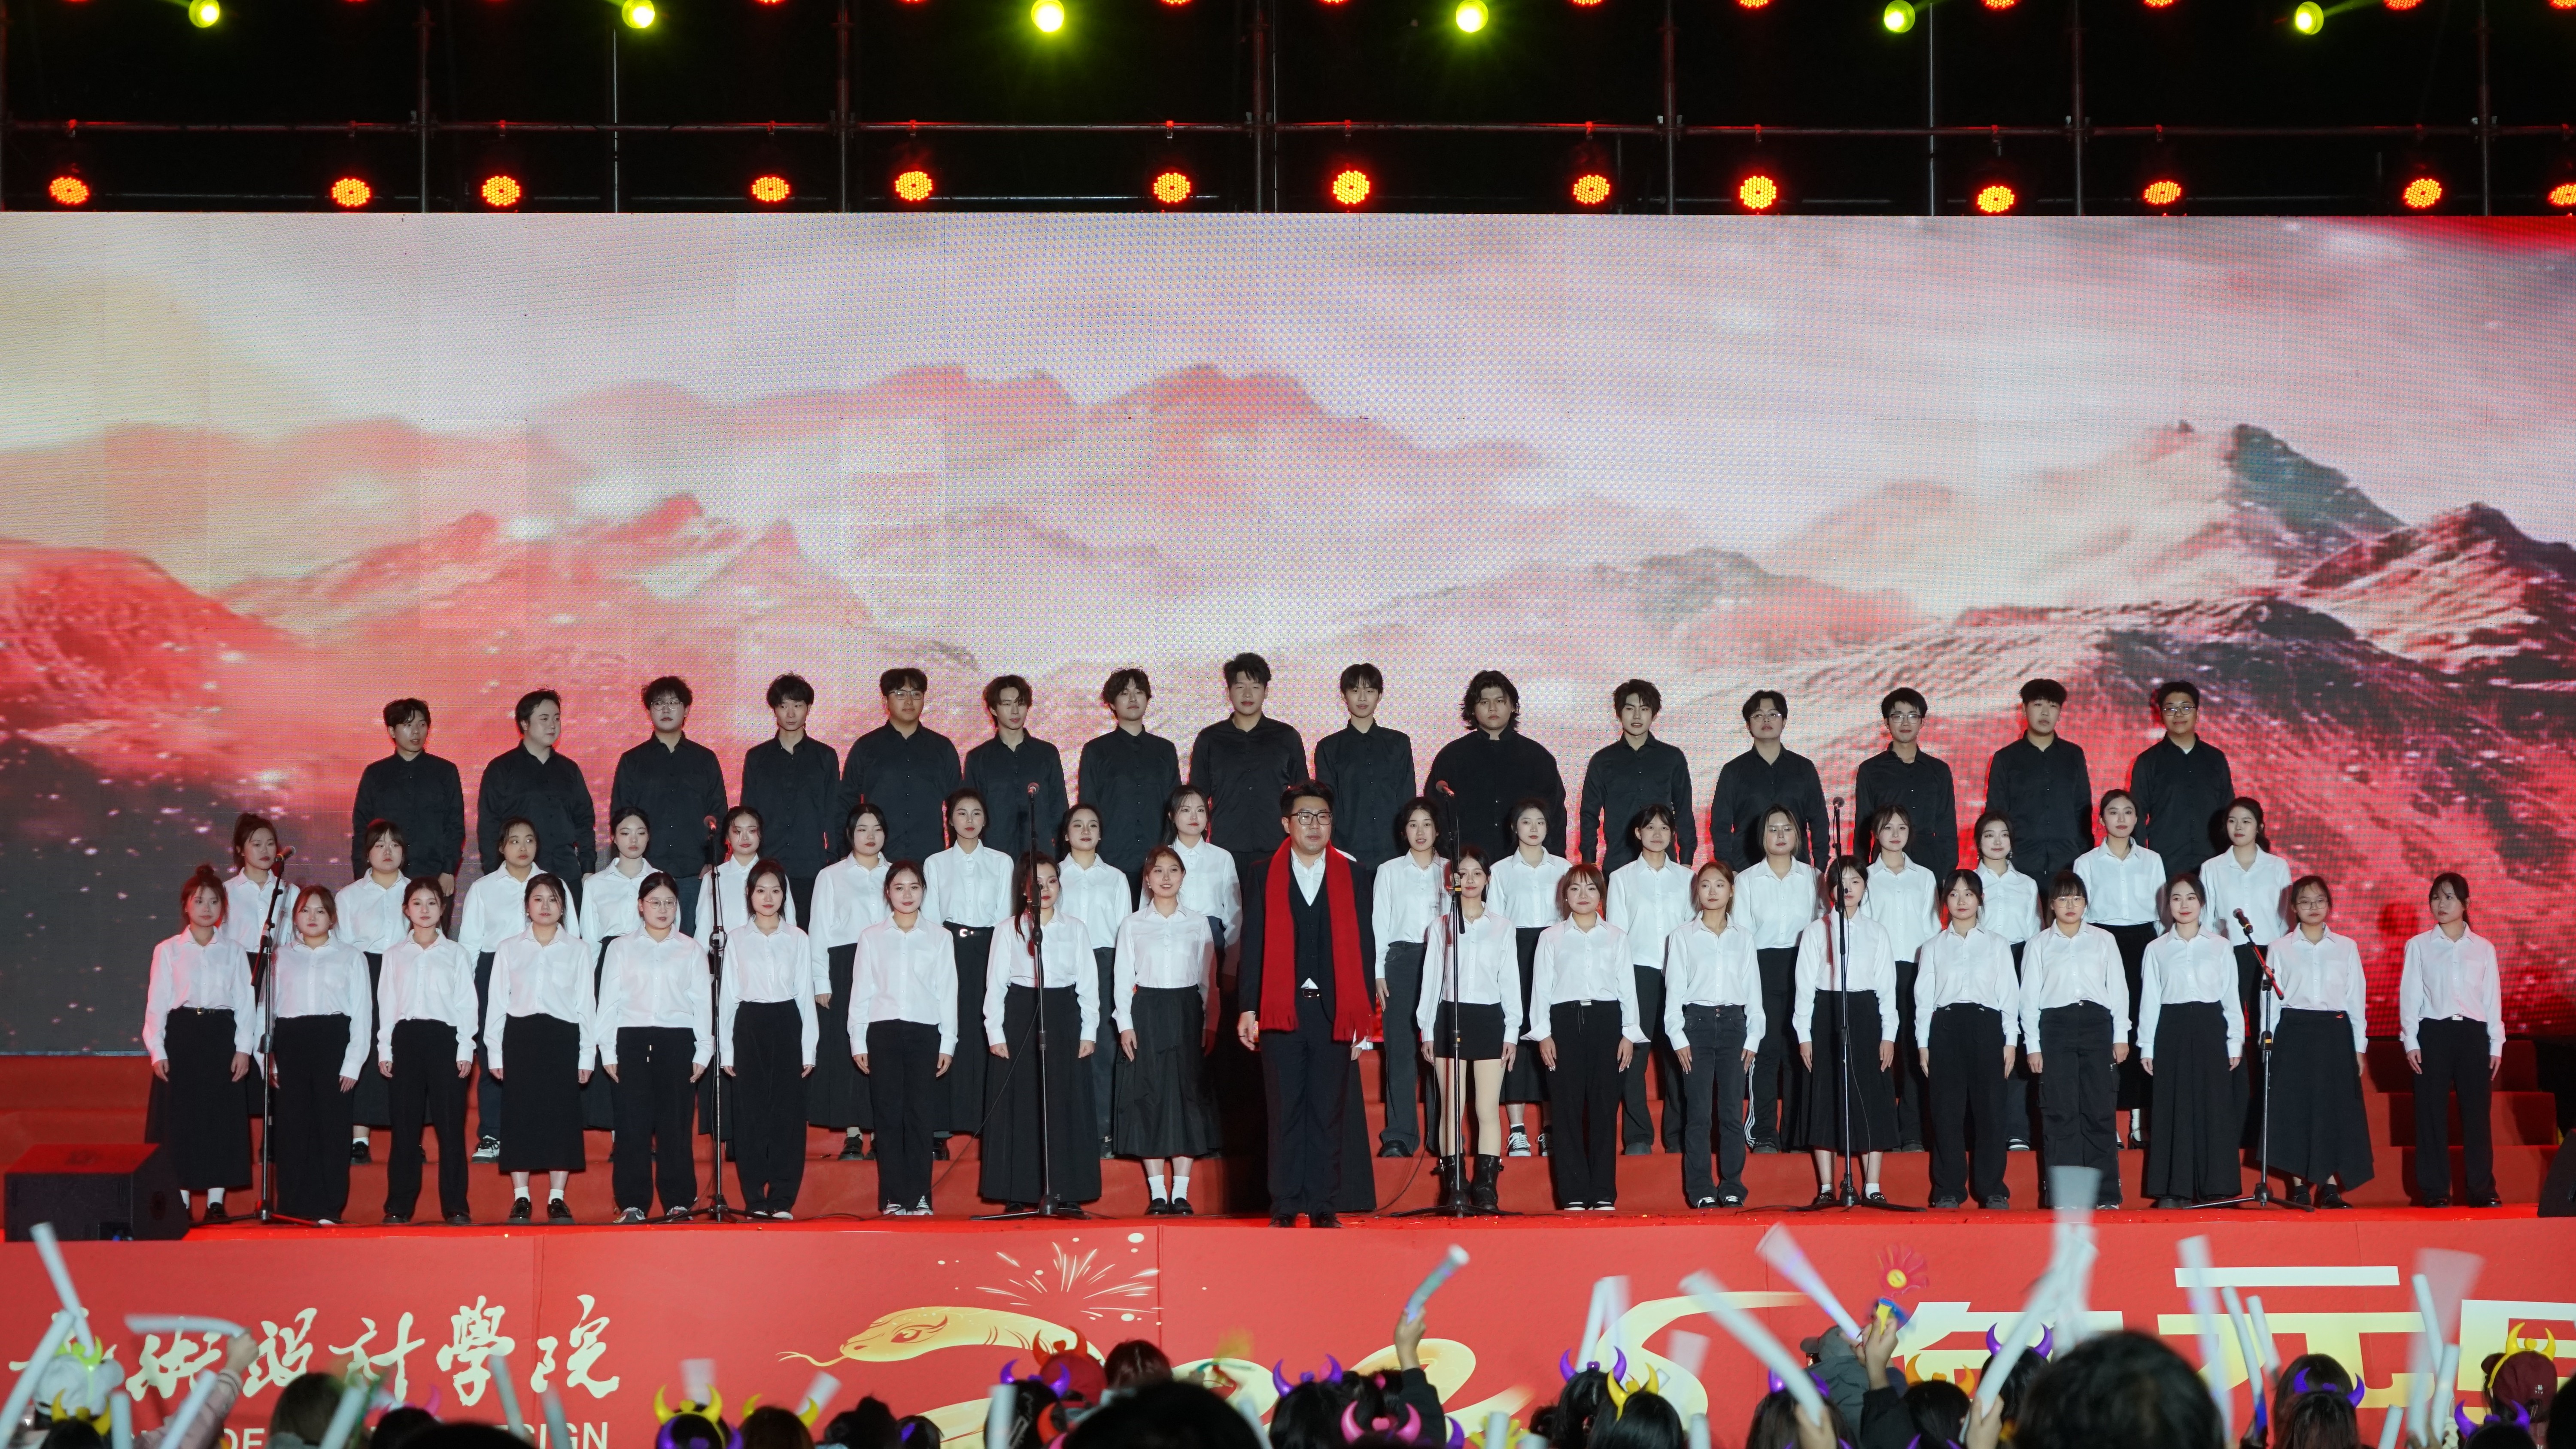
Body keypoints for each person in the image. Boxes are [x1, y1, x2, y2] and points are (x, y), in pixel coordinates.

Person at [1234, 781, 1379, 1227]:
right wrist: (1248, 1007)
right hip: (1282, 1008)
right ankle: (1284, 1204)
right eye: (1304, 816)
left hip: (1334, 1011)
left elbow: (1365, 947)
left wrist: (1361, 1019)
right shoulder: (1262, 874)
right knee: (1285, 1111)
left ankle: (1322, 1205)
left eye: (1322, 817)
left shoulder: (1354, 874)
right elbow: (1253, 944)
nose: (1314, 825)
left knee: (1327, 1111)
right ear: (1286, 823)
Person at [981, 854, 1101, 1210]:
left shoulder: (1075, 928)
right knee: (1022, 1103)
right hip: (1021, 1013)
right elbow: (995, 986)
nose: (1045, 889)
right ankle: (1018, 1193)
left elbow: (1089, 985)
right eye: (1037, 883)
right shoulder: (1008, 929)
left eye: (1052, 881)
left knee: (1064, 1102)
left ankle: (1066, 1192)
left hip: (1063, 1014)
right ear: (1024, 888)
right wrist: (995, 1032)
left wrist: (1089, 1030)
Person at [143, 867, 259, 1223]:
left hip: (221, 1037)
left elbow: (245, 1003)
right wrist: (158, 1051)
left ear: (223, 908)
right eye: (199, 901)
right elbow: (157, 1003)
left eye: (214, 902)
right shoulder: (168, 950)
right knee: (180, 1121)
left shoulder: (234, 951)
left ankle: (215, 1201)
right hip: (182, 1037)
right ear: (186, 906)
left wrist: (243, 1049)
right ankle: (181, 1199)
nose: (206, 908)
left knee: (219, 1119)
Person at [1112, 846, 1223, 1215]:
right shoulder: (1132, 924)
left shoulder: (1198, 923)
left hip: (1187, 1011)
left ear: (1183, 876)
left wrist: (1211, 1024)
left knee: (1187, 1096)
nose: (1165, 877)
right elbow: (1122, 978)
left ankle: (1182, 1194)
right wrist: (1125, 1024)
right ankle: (1158, 1193)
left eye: (1173, 870)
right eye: (1158, 871)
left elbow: (1209, 981)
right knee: (1149, 1096)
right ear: (1147, 879)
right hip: (1146, 1011)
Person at [596, 872, 712, 1222]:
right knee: (632, 1126)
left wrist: (704, 1049)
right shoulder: (620, 947)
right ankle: (632, 1204)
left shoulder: (691, 949)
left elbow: (702, 1003)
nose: (663, 909)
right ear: (640, 906)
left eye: (669, 903)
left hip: (677, 1040)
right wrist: (608, 1049)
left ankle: (678, 1202)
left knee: (675, 1126)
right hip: (631, 1040)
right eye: (655, 902)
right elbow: (609, 1001)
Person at [1526, 863, 1640, 1211]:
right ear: (1565, 896)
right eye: (1575, 888)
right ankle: (1573, 1193)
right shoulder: (1551, 937)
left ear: (1601, 895)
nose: (1583, 895)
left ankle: (1603, 1192)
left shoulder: (1617, 936)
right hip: (1563, 1023)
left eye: (1591, 888)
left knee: (1605, 1109)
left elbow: (1627, 988)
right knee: (1566, 1110)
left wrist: (1629, 1033)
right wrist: (1544, 1034)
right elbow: (1541, 988)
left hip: (1607, 1022)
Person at [484, 873, 595, 1224]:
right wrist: (495, 1051)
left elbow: (586, 1005)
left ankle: (557, 1198)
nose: (546, 906)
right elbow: (497, 1003)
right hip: (521, 1037)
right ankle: (521, 1197)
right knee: (519, 1116)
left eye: (553, 899)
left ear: (563, 907)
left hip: (562, 1038)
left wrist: (587, 1054)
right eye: (538, 899)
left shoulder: (579, 949)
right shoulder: (509, 948)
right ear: (527, 906)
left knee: (562, 1117)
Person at [1414, 846, 1520, 1211]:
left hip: (1489, 1019)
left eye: (1477, 873)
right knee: (1452, 1108)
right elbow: (1431, 982)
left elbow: (1510, 982)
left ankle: (1487, 1189)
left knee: (1487, 1108)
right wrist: (1427, 1030)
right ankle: (1455, 1185)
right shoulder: (1440, 927)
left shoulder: (1503, 927)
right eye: (1463, 874)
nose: (1470, 880)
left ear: (1488, 879)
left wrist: (1512, 1032)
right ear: (1453, 881)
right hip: (1449, 1017)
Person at [851, 861, 957, 1216]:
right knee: (888, 1116)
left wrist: (948, 1042)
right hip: (882, 1031)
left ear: (924, 891)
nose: (907, 894)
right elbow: (861, 991)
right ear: (887, 892)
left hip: (925, 1031)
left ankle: (920, 1196)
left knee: (920, 1116)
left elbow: (948, 992)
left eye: (914, 887)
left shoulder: (940, 937)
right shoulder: (872, 937)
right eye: (899, 887)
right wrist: (858, 1040)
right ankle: (893, 1197)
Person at [1794, 856, 1900, 1205]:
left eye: (1856, 881)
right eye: (1842, 882)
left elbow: (1887, 988)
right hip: (1827, 1012)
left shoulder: (1878, 932)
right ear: (1830, 889)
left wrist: (1889, 1035)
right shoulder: (1816, 931)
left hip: (1866, 1013)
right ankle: (1827, 1187)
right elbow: (1804, 989)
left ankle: (1872, 1186)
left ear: (1865, 886)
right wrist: (1804, 1035)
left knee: (1870, 1093)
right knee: (1825, 1095)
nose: (1849, 888)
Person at [2020, 870, 2129, 1208]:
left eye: (2077, 898)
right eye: (2063, 898)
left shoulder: (2103, 940)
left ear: (2086, 903)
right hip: (2055, 1028)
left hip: (2097, 1025)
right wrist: (2033, 1045)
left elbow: (2119, 990)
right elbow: (2028, 999)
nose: (2071, 905)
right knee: (2060, 1113)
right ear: (2051, 905)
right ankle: (2066, 1196)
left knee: (2099, 1111)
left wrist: (2121, 1035)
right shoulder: (2038, 944)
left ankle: (2105, 1195)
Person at [719, 859, 818, 1218]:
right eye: (761, 890)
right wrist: (726, 1049)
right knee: (750, 1116)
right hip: (749, 1023)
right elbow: (728, 997)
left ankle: (781, 1199)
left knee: (787, 1116)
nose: (768, 897)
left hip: (787, 1021)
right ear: (749, 894)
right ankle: (755, 1200)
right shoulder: (736, 939)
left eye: (776, 890)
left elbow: (806, 995)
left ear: (784, 895)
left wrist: (809, 1048)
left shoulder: (798, 938)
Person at [2266, 875, 2373, 1207]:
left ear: (2329, 905)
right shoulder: (2279, 948)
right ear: (2293, 908)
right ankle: (2299, 1186)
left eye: (2320, 901)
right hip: (2293, 1033)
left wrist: (2359, 1047)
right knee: (2296, 1110)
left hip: (2334, 1034)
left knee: (2332, 1110)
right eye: (2305, 901)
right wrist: (2268, 1045)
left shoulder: (2346, 947)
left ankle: (2329, 1185)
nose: (2313, 907)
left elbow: (2356, 1000)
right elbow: (2270, 1003)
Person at [2136, 873, 2243, 1207]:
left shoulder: (2220, 946)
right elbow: (2150, 1000)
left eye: (2191, 898)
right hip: (2172, 1028)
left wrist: (2235, 1041)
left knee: (2215, 1107)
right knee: (2173, 1107)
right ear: (2167, 905)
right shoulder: (2156, 949)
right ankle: (2174, 1189)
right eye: (2177, 898)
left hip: (2211, 1026)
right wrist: (2147, 1045)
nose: (2184, 905)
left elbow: (2231, 997)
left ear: (2202, 903)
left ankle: (2218, 1187)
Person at [375, 876, 477, 1225]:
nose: (424, 910)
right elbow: (387, 1004)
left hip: (445, 1040)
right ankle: (398, 1206)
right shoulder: (394, 955)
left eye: (432, 903)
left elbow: (467, 1005)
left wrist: (465, 1048)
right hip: (406, 1040)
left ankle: (456, 1206)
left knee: (451, 1128)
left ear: (443, 909)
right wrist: (385, 1048)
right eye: (417, 903)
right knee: (405, 1128)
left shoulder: (456, 954)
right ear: (406, 910)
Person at [1915, 870, 2020, 1209]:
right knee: (1946, 1114)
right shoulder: (1932, 947)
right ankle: (1948, 1189)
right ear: (1944, 901)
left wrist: (2010, 1041)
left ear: (1980, 899)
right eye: (1954, 894)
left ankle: (1992, 1189)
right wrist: (1923, 1044)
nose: (1962, 901)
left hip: (1987, 1026)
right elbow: (1923, 1000)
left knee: (1991, 1111)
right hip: (1945, 1029)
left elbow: (2009, 995)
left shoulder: (1997, 944)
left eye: (1969, 894)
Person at [2400, 872, 2504, 1208]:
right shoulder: (2419, 945)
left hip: (2474, 1034)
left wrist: (2496, 1043)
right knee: (2430, 1113)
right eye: (2435, 897)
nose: (2441, 905)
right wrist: (2411, 1040)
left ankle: (2481, 1189)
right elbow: (2410, 995)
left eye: (2449, 898)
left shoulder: (2483, 948)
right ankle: (2435, 1190)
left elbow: (2492, 999)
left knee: (2477, 1114)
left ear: (2466, 903)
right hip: (2434, 1032)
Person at [268, 885, 369, 1223]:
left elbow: (362, 1013)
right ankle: (291, 1206)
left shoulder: (350, 957)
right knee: (292, 1128)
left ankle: (329, 1207)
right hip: (290, 1043)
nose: (312, 917)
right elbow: (267, 1009)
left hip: (333, 1042)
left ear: (332, 918)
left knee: (332, 1128)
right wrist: (268, 1057)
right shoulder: (280, 957)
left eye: (320, 911)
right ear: (294, 918)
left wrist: (353, 1062)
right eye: (305, 910)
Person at [2198, 795, 2291, 1145]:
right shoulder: (2212, 868)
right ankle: (2232, 1121)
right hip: (2227, 955)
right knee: (2231, 1033)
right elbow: (2207, 920)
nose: (2239, 828)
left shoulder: (2278, 867)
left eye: (2246, 821)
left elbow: (2286, 919)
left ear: (2260, 827)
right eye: (2233, 821)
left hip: (2268, 955)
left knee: (2267, 1034)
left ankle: (2266, 1124)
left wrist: (2281, 962)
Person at [1667, 861, 1760, 1208]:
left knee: (1732, 1113)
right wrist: (1678, 1037)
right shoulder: (1682, 936)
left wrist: (1754, 1037)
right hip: (1697, 1026)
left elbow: (1754, 994)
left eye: (1719, 884)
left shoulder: (1744, 938)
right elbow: (1674, 993)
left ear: (1731, 890)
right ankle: (1701, 1189)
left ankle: (1733, 1185)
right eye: (1705, 885)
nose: (1712, 891)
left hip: (1735, 1026)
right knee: (1699, 1114)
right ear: (1697, 891)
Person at [2075, 789, 2165, 1147]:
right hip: (2102, 943)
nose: (2122, 819)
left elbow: (2162, 912)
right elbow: (2082, 914)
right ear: (2101, 820)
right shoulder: (2086, 863)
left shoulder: (2153, 860)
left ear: (2139, 819)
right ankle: (2107, 1121)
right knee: (2106, 1029)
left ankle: (2140, 1122)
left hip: (2143, 943)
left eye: (2129, 812)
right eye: (2114, 812)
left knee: (2142, 1026)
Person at [611, 677, 729, 935]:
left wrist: (714, 862)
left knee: (692, 949)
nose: (666, 709)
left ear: (687, 710)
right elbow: (620, 817)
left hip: (695, 876)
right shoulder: (632, 761)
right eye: (658, 703)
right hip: (645, 875)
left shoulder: (705, 760)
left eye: (674, 703)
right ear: (649, 711)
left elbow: (719, 814)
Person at [927, 788, 1013, 1143]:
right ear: (950, 819)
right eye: (962, 813)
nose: (970, 821)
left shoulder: (1002, 862)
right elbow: (931, 918)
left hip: (990, 947)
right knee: (947, 1025)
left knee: (984, 1026)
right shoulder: (935, 863)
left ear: (986, 819)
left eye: (977, 813)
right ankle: (940, 1126)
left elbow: (1006, 916)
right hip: (949, 947)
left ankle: (983, 1120)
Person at [808, 803, 892, 1161]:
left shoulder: (896, 873)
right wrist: (821, 981)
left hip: (887, 964)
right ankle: (854, 1134)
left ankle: (882, 1130)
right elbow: (818, 931)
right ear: (849, 835)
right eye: (862, 829)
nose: (870, 836)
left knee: (883, 1045)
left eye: (877, 829)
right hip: (844, 964)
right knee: (849, 1049)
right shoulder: (831, 876)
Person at [1607, 804, 1692, 1155]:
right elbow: (1616, 935)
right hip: (1637, 972)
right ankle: (1638, 1136)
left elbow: (1692, 930)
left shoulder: (1687, 878)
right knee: (1635, 1055)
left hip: (1679, 973)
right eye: (1650, 827)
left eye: (1665, 828)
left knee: (1677, 1055)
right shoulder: (1621, 878)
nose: (1658, 834)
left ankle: (1677, 1136)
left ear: (1673, 834)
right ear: (1638, 833)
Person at [1739, 804, 1822, 1153]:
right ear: (1762, 837)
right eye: (1773, 829)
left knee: (1798, 1051)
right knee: (1767, 1049)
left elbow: (1823, 928)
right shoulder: (1746, 880)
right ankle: (1764, 1134)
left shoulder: (1815, 878)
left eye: (1787, 828)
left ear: (1798, 835)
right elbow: (1742, 936)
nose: (1780, 835)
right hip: (1763, 967)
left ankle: (1796, 1135)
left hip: (1805, 965)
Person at [1488, 799, 1570, 1158]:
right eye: (1526, 822)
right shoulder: (1500, 871)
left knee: (1551, 1034)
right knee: (1518, 1034)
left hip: (1556, 952)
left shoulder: (1564, 868)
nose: (1534, 828)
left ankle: (1550, 1128)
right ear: (1514, 827)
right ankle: (1517, 1129)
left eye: (1540, 822)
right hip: (1516, 952)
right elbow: (1495, 923)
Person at [458, 817, 541, 1163]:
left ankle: (531, 1131)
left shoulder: (551, 885)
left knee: (535, 1053)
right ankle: (491, 1134)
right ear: (501, 847)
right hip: (492, 971)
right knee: (493, 1050)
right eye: (515, 841)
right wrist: (467, 992)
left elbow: (572, 938)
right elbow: (469, 945)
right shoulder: (483, 889)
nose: (523, 848)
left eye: (530, 840)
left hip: (539, 969)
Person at [1188, 653, 1308, 886]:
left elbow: (1303, 796)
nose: (1247, 694)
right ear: (1228, 691)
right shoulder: (1209, 739)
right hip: (1224, 849)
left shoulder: (1287, 737)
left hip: (1276, 846)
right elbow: (1197, 798)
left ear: (1266, 691)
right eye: (1240, 686)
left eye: (1255, 686)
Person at [1370, 797, 1447, 1158]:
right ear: (1404, 832)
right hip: (1401, 960)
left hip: (1442, 959)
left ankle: (1441, 1135)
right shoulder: (1389, 871)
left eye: (1427, 824)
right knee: (1400, 1049)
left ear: (1437, 830)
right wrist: (1378, 971)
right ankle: (1400, 1135)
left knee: (1439, 1050)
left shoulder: (1451, 870)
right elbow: (1379, 923)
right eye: (1413, 824)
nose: (1420, 831)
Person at [1860, 805, 1939, 1153]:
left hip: (1914, 970)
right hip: (1876, 971)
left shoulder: (1925, 877)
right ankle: (1879, 1130)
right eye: (1888, 827)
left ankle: (1912, 1132)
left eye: (1902, 828)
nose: (1895, 834)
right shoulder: (1865, 876)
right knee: (1878, 1050)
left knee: (1911, 1050)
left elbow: (1932, 929)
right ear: (1875, 833)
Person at [1425, 670, 1567, 861]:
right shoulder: (1451, 757)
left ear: (1513, 706)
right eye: (1484, 703)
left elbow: (1556, 817)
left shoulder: (1538, 758)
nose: (1493, 708)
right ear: (1472, 709)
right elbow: (1434, 815)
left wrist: (1555, 864)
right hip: (1466, 867)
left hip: (1525, 866)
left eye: (1500, 701)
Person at [1313, 662, 1419, 914]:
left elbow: (1408, 798)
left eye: (1370, 691)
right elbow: (1326, 804)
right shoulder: (1329, 747)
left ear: (1380, 696)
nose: (1362, 698)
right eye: (1355, 691)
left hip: (1393, 851)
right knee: (1350, 920)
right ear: (1344, 696)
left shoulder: (1399, 743)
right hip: (1347, 851)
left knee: (1394, 919)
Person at [1057, 803, 1132, 1157]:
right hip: (1063, 964)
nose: (1085, 831)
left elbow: (1125, 935)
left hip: (1105, 962)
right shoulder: (1054, 875)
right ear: (1065, 833)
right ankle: (1065, 1132)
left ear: (1101, 834)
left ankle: (1104, 1132)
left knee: (1102, 1048)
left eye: (1092, 825)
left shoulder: (1116, 878)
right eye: (1078, 825)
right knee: (1065, 1047)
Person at [336, 820, 411, 1163]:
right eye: (379, 845)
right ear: (367, 854)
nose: (387, 851)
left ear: (404, 853)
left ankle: (409, 1137)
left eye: (395, 845)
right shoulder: (348, 896)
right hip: (364, 970)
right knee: (364, 1045)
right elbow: (343, 947)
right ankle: (359, 1138)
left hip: (407, 971)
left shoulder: (416, 892)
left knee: (405, 1048)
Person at [476, 690, 595, 907]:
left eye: (557, 719)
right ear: (524, 724)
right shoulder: (501, 769)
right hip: (518, 879)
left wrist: (588, 869)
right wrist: (495, 875)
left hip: (566, 875)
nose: (553, 725)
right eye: (544, 719)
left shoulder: (569, 770)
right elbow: (489, 826)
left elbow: (584, 821)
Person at [840, 666, 963, 870]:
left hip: (931, 860)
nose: (909, 701)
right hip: (876, 860)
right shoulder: (866, 747)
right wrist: (845, 854)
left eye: (916, 694)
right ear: (885, 701)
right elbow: (846, 802)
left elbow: (958, 806)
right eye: (900, 694)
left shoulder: (942, 748)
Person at [741, 674, 841, 923]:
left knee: (809, 931)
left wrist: (834, 855)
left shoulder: (825, 757)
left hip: (812, 864)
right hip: (767, 865)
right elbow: (748, 812)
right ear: (774, 709)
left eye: (798, 705)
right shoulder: (757, 758)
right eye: (783, 705)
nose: (791, 713)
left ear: (809, 708)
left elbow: (833, 811)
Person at [578, 806, 654, 1132]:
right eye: (625, 833)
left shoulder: (659, 880)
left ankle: (646, 1131)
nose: (633, 840)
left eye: (640, 832)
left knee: (645, 1044)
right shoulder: (595, 884)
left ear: (649, 837)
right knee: (612, 1042)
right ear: (613, 838)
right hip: (609, 966)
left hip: (651, 967)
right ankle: (616, 1134)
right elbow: (589, 939)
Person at [1970, 810, 2041, 1150]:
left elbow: (2035, 932)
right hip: (1979, 961)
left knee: (2016, 1042)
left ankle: (2017, 1130)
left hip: (2019, 958)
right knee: (1984, 1045)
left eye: (2003, 835)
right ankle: (1984, 1131)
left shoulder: (2027, 884)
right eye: (1989, 835)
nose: (1997, 842)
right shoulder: (1968, 882)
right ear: (1978, 842)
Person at [351, 698, 465, 904]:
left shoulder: (445, 772)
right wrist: (361, 877)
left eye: (422, 725)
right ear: (392, 731)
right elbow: (362, 828)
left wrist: (449, 871)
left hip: (434, 876)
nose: (416, 732)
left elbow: (455, 825)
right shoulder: (375, 774)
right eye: (408, 725)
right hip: (384, 879)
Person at [1984, 679, 2094, 885]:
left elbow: (2082, 809)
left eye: (2053, 706)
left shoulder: (2073, 756)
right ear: (2024, 710)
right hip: (2019, 867)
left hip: (2068, 865)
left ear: (2060, 713)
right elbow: (1995, 813)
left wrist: (2084, 856)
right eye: (2038, 705)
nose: (2045, 712)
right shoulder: (2006, 758)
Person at [1579, 680, 1696, 874]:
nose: (1637, 716)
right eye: (1630, 708)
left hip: (1664, 863)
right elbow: (1589, 813)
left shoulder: (1672, 758)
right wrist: (1589, 860)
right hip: (1618, 862)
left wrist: (1686, 859)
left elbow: (1684, 810)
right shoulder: (1602, 760)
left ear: (1654, 714)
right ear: (1619, 713)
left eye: (1644, 709)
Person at [1707, 691, 1829, 869]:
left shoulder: (1804, 769)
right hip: (1746, 869)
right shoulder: (1733, 771)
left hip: (1797, 869)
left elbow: (1819, 822)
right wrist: (1728, 869)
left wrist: (1820, 867)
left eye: (1773, 715)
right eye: (1758, 715)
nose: (1766, 720)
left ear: (1784, 722)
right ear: (1748, 725)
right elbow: (1721, 826)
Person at [2126, 681, 2233, 879]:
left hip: (2214, 865)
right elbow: (2137, 817)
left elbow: (2229, 813)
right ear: (2160, 715)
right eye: (2171, 709)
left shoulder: (2216, 759)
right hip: (2166, 866)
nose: (2179, 714)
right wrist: (2140, 865)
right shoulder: (2148, 762)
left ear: (2198, 714)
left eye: (2186, 707)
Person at [1852, 688, 1957, 880]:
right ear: (1887, 722)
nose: (1906, 723)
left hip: (1929, 864)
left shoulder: (1939, 770)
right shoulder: (1870, 770)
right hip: (1884, 865)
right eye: (1898, 716)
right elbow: (1863, 827)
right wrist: (1862, 873)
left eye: (1913, 716)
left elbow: (1947, 827)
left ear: (1922, 722)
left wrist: (1947, 874)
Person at [966, 675, 1071, 862]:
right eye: (1007, 704)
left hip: (1041, 857)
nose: (1015, 711)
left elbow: (1059, 808)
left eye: (1020, 703)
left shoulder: (1047, 754)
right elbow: (971, 811)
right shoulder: (978, 758)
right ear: (993, 709)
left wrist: (1061, 856)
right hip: (993, 857)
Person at [699, 806, 799, 938]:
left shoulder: (776, 876)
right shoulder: (714, 877)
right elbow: (703, 927)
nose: (745, 838)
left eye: (752, 831)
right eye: (737, 832)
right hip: (725, 950)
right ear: (727, 836)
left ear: (760, 835)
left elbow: (789, 922)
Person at [224, 813, 297, 967]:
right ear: (240, 850)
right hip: (237, 969)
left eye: (270, 844)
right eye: (257, 845)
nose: (265, 850)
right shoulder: (226, 892)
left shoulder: (290, 892)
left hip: (280, 969)